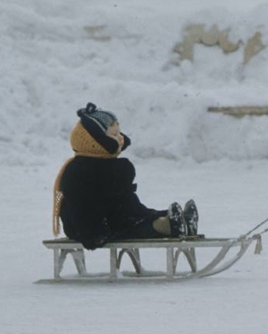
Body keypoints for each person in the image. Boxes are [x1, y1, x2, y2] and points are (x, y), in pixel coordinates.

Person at [51, 103, 199, 249]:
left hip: (115, 215)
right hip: (93, 226)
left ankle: (180, 222)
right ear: (95, 140)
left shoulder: (108, 165)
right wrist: (94, 235)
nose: (120, 138)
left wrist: (145, 213)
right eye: (114, 135)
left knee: (140, 218)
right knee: (135, 226)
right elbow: (80, 208)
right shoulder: (79, 171)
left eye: (119, 133)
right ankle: (168, 225)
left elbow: (125, 200)